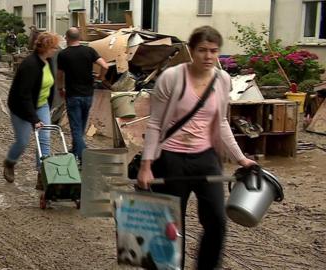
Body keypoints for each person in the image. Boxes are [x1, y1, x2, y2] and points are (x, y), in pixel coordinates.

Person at [137, 26, 257, 270]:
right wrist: (146, 166)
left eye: (214, 51)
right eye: (202, 50)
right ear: (191, 51)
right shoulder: (171, 78)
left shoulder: (222, 80)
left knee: (216, 222)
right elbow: (155, 123)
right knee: (170, 225)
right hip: (171, 159)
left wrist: (240, 158)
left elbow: (221, 121)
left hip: (206, 157)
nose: (208, 56)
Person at [3, 32, 59, 190]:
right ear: (46, 48)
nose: (56, 50)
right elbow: (24, 95)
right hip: (21, 107)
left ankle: (43, 176)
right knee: (23, 141)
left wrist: (47, 107)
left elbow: (50, 85)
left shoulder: (48, 61)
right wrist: (34, 119)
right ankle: (10, 162)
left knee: (45, 139)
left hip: (41, 105)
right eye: (54, 47)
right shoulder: (30, 65)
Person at [57, 27, 108, 163]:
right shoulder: (89, 51)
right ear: (79, 38)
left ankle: (84, 156)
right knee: (81, 128)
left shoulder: (63, 55)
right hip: (88, 95)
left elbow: (60, 74)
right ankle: (75, 151)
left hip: (73, 95)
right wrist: (101, 77)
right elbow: (105, 65)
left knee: (75, 128)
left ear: (67, 38)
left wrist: (60, 88)